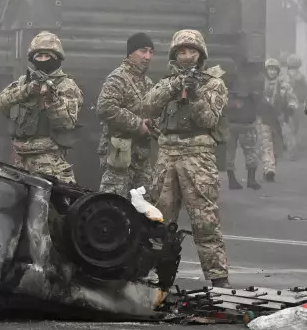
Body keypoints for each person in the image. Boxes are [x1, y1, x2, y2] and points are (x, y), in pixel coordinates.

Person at [142, 29, 231, 287]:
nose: (187, 56)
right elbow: (147, 106)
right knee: (159, 219)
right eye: (182, 51)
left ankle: (218, 279)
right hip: (167, 154)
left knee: (205, 220)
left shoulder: (214, 84)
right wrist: (174, 86)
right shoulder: (167, 82)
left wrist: (194, 94)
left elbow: (208, 119)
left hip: (198, 154)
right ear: (174, 54)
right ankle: (157, 276)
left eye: (192, 51)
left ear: (200, 54)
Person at [0, 31, 83, 183]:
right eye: (38, 56)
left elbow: (66, 122)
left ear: (56, 57)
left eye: (47, 56)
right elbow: (1, 103)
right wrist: (27, 91)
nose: (42, 60)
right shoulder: (24, 82)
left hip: (49, 162)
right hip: (19, 160)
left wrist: (51, 100)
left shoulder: (67, 86)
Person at [96, 32, 155, 199]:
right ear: (130, 53)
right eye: (143, 51)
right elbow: (105, 107)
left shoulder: (147, 82)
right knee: (114, 202)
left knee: (144, 205)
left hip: (141, 155)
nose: (147, 56)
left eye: (151, 52)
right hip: (119, 151)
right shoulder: (118, 78)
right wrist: (137, 124)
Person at [258, 58, 297, 181]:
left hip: (279, 119)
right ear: (266, 70)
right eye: (270, 69)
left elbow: (292, 98)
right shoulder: (260, 84)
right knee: (266, 144)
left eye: (275, 69)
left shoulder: (283, 85)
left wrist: (291, 107)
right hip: (264, 118)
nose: (272, 72)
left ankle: (271, 165)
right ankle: (269, 169)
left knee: (276, 147)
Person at [225, 71, 261, 190]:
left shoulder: (227, 80)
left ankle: (236, 180)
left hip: (235, 124)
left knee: (231, 154)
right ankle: (249, 180)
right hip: (241, 124)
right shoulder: (252, 81)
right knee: (249, 152)